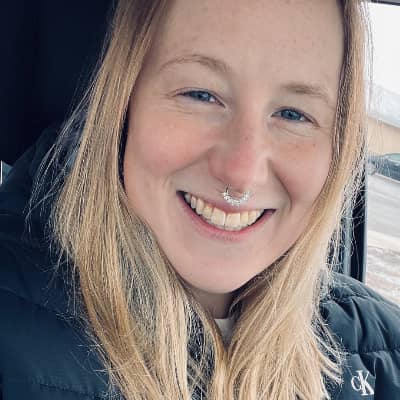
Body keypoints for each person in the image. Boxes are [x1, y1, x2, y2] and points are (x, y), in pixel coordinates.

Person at [1, 0, 399, 399]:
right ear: (121, 106)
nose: (241, 174)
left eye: (293, 115)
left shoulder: (386, 357)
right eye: (200, 94)